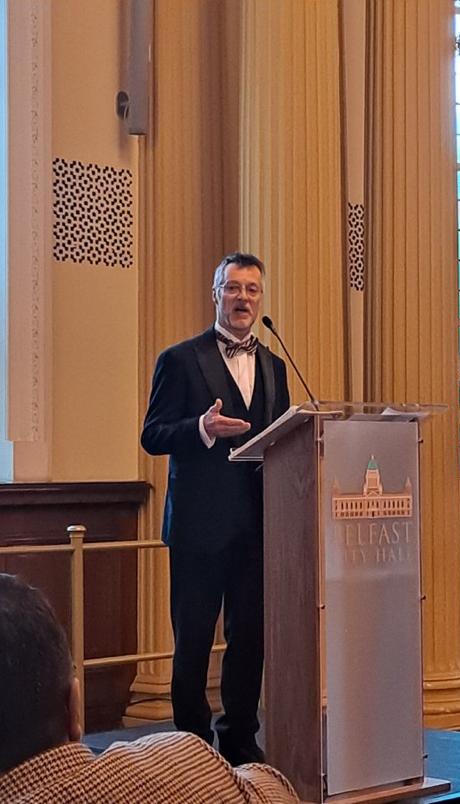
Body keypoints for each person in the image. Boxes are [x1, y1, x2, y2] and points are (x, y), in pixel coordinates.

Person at [141, 252, 290, 766]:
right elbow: (153, 435)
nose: (242, 297)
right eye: (233, 287)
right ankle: (191, 743)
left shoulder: (274, 366)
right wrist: (201, 428)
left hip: (258, 527)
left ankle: (241, 736)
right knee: (194, 641)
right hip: (198, 528)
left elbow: (279, 439)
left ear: (260, 298)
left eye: (251, 289)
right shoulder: (180, 360)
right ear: (216, 294)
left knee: (249, 639)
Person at [0, 573, 298, 803]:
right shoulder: (191, 766)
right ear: (73, 707)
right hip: (194, 533)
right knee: (191, 644)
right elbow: (276, 792)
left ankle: (240, 740)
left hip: (243, 531)